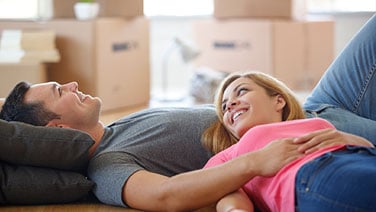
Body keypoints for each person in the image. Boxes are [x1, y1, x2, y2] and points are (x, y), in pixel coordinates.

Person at [1, 13, 375, 212]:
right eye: (57, 92)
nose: (69, 84)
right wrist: (255, 162)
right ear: (58, 127)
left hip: (312, 109)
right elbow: (167, 196)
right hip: (317, 143)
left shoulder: (119, 127)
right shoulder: (108, 167)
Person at [203, 71, 376, 211]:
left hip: (364, 155)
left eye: (242, 91)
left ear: (279, 101)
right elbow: (224, 195)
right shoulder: (231, 155)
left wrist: (351, 138)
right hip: (318, 173)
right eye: (225, 107)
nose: (230, 104)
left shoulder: (311, 121)